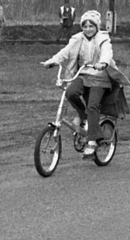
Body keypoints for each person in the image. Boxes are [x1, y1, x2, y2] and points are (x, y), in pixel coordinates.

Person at [43, 10, 119, 157]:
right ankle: (83, 116)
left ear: (97, 27)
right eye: (85, 26)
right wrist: (53, 61)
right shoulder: (77, 39)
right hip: (83, 75)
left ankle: (92, 141)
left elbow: (107, 53)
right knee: (70, 93)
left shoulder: (103, 38)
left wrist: (103, 63)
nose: (88, 29)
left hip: (100, 77)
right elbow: (65, 52)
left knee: (93, 106)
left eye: (91, 26)